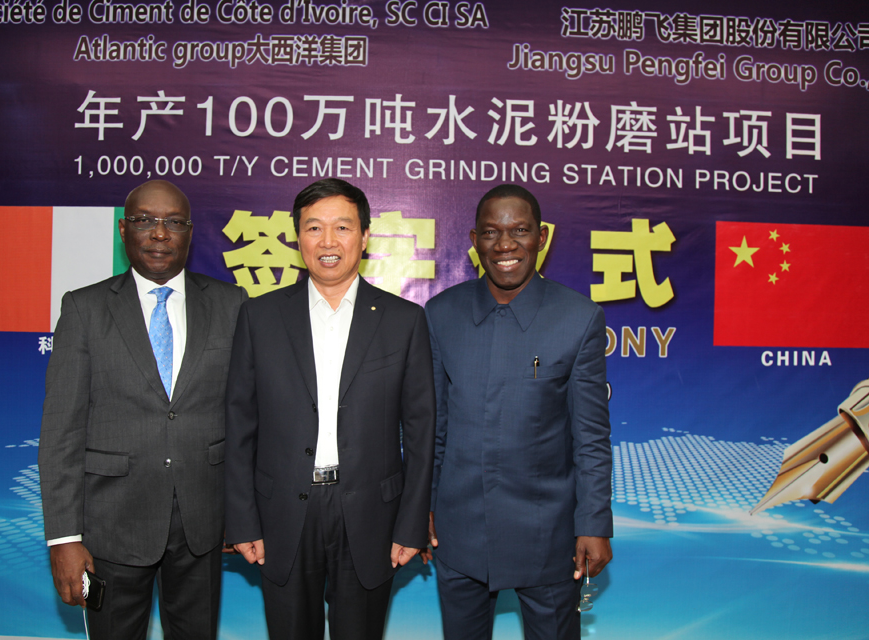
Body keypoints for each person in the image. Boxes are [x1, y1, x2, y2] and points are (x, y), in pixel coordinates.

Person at [225, 178, 435, 640]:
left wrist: (412, 523)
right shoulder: (259, 317)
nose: (328, 241)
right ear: (297, 237)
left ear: (365, 236)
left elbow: (422, 433)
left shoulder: (404, 320)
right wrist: (242, 520)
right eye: (314, 227)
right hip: (283, 513)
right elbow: (239, 426)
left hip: (371, 514)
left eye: (342, 227)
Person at [38, 180, 248, 639]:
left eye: (174, 222)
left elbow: (247, 418)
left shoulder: (231, 304)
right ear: (123, 229)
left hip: (203, 527)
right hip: (109, 529)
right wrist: (65, 538)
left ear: (190, 232)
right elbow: (61, 432)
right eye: (145, 220)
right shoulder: (84, 308)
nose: (159, 233)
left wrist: (243, 513)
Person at [423, 184, 613, 640]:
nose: (505, 245)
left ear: (541, 237)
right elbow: (433, 427)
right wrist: (422, 506)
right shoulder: (441, 313)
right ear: (474, 241)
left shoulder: (578, 317)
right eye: (491, 232)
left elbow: (590, 437)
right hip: (459, 530)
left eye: (520, 231)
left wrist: (593, 523)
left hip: (547, 534)